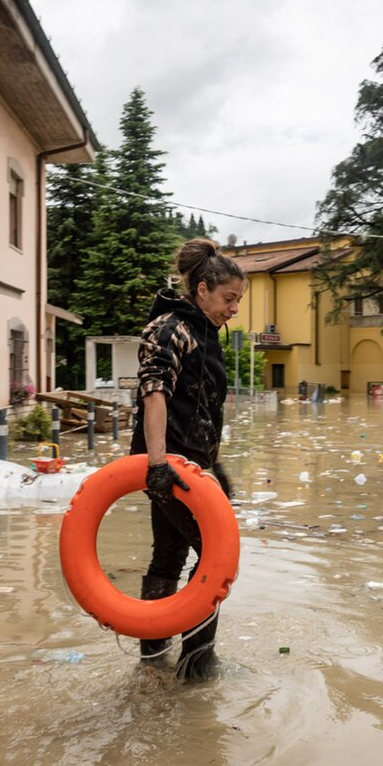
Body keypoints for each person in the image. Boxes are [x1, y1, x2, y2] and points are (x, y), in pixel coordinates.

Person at [130, 237, 246, 681]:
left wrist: (214, 468)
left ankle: (152, 657)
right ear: (202, 289)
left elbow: (195, 407)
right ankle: (198, 666)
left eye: (237, 300)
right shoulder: (170, 329)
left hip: (191, 468)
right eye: (228, 298)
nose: (234, 308)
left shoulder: (202, 331)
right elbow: (155, 393)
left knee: (169, 556)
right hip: (169, 467)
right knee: (215, 555)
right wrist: (158, 465)